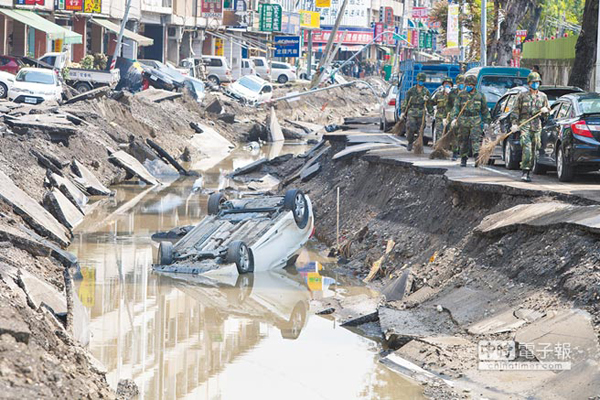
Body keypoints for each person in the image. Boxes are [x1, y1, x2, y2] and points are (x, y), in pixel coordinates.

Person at [510, 72, 549, 182]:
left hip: (536, 126)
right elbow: (515, 110)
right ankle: (525, 171)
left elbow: (547, 113)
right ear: (529, 83)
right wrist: (514, 123)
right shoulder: (522, 96)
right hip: (525, 124)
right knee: (526, 148)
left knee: (535, 148)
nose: (535, 84)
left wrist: (545, 112)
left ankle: (529, 168)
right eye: (533, 82)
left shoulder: (543, 96)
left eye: (537, 82)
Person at [451, 75, 491, 167]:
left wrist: (486, 121)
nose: (469, 86)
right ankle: (463, 158)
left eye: (471, 85)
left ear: (474, 85)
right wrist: (454, 118)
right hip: (463, 120)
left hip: (475, 120)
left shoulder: (480, 96)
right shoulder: (461, 95)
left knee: (475, 139)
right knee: (463, 140)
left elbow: (484, 110)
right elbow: (456, 107)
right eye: (468, 85)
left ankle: (477, 156)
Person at [400, 72, 433, 151]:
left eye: (422, 81)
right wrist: (403, 111)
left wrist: (431, 112)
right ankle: (410, 142)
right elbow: (406, 101)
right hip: (412, 111)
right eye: (419, 80)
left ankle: (418, 143)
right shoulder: (411, 91)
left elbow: (429, 104)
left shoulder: (426, 91)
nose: (420, 82)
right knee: (410, 127)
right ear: (417, 80)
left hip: (421, 112)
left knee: (420, 129)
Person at [430, 76, 453, 143]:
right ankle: (438, 146)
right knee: (439, 134)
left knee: (449, 136)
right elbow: (432, 103)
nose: (447, 85)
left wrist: (450, 95)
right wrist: (428, 100)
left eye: (449, 84)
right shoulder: (438, 94)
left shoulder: (454, 95)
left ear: (451, 85)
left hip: (449, 118)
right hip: (440, 117)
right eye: (445, 83)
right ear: (443, 85)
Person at [447, 74, 464, 160]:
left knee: (463, 135)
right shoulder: (452, 93)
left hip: (465, 117)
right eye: (459, 83)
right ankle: (455, 152)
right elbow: (449, 105)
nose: (461, 84)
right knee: (454, 134)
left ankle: (463, 152)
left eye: (462, 83)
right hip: (455, 116)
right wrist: (447, 116)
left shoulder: (468, 93)